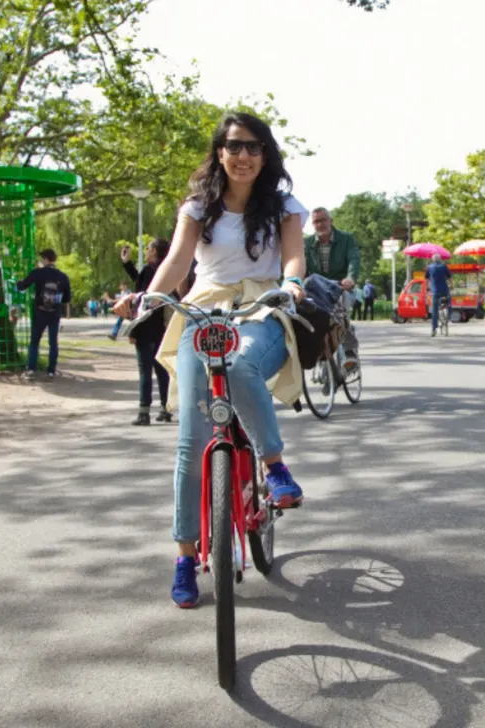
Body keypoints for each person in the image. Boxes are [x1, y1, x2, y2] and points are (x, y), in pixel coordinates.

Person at [113, 112, 309, 609]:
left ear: (266, 155)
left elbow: (293, 257)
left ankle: (274, 465)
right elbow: (177, 260)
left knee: (242, 365)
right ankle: (184, 556)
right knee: (190, 442)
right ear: (219, 152)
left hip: (262, 307)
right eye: (234, 146)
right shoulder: (198, 206)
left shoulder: (284, 206)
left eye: (254, 147)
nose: (244, 156)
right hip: (203, 310)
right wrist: (148, 297)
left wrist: (290, 286)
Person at [122, 240, 175, 425]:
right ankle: (165, 409)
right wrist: (127, 264)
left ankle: (144, 412)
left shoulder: (148, 270)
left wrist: (133, 330)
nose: (146, 251)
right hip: (162, 327)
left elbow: (140, 298)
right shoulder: (167, 272)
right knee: (161, 370)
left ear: (154, 252)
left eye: (148, 248)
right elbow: (144, 282)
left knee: (145, 371)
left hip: (145, 327)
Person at [304, 207, 361, 364]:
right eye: (316, 222)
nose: (320, 224)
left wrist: (350, 278)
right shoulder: (307, 243)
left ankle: (349, 351)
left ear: (331, 221)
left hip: (340, 286)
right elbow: (302, 267)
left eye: (323, 220)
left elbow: (353, 260)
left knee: (340, 311)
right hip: (317, 288)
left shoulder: (346, 239)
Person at [16, 249, 71, 379]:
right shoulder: (63, 277)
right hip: (54, 313)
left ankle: (31, 369)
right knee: (53, 342)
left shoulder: (37, 273)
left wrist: (17, 283)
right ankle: (51, 370)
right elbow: (67, 299)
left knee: (34, 341)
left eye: (42, 259)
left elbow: (22, 286)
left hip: (39, 312)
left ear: (46, 259)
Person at [427, 254, 452, 337]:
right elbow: (450, 277)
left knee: (434, 311)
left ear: (433, 259)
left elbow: (427, 279)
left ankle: (434, 329)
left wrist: (428, 288)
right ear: (440, 259)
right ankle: (449, 315)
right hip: (444, 290)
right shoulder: (444, 266)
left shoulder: (429, 267)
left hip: (435, 292)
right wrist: (452, 285)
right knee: (449, 302)